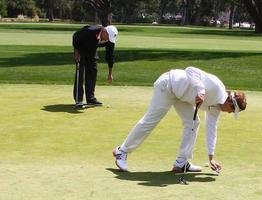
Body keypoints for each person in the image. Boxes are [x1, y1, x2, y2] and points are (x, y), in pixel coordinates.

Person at [113, 66, 247, 172]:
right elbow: (190, 70)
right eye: (232, 111)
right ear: (230, 103)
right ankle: (121, 151)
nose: (229, 113)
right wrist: (200, 91)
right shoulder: (217, 87)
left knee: (193, 123)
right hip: (168, 85)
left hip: (181, 96)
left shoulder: (216, 108)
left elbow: (212, 129)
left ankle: (181, 162)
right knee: (150, 121)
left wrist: (211, 158)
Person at [72, 24, 113, 108]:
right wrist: (76, 51)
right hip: (81, 49)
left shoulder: (109, 40)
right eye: (108, 37)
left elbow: (110, 56)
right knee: (80, 74)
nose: (108, 40)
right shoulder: (91, 30)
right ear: (105, 31)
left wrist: (110, 73)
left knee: (92, 72)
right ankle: (78, 100)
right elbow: (75, 36)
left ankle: (90, 98)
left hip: (92, 50)